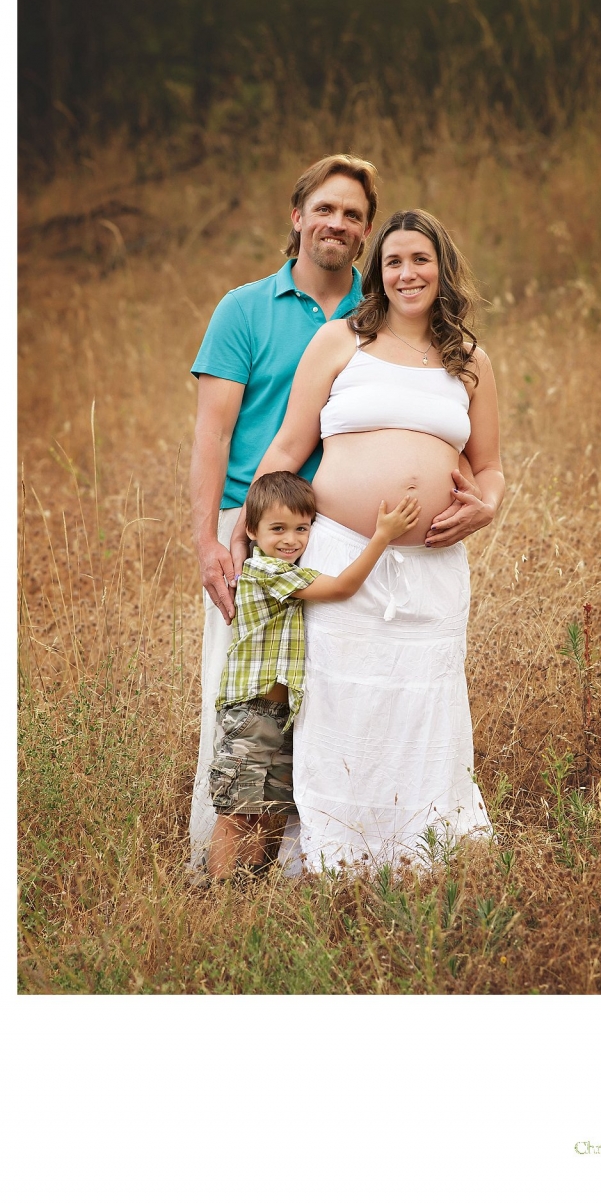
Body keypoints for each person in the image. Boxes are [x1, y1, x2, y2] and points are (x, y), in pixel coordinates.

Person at [231, 208, 505, 871]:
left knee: (422, 700)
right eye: (393, 261)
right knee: (343, 699)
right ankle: (339, 856)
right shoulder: (339, 341)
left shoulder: (468, 361)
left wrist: (488, 505)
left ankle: (422, 853)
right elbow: (291, 446)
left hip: (432, 571)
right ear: (376, 274)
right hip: (341, 553)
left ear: (443, 268)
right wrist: (245, 528)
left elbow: (491, 465)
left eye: (420, 259)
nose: (407, 273)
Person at [188, 153, 380, 870]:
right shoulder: (243, 309)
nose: (337, 222)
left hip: (340, 532)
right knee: (247, 701)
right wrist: (212, 540)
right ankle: (228, 865)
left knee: (332, 700)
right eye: (325, 208)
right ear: (297, 217)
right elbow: (212, 433)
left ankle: (318, 861)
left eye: (353, 214)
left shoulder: (381, 311)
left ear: (365, 233)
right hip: (255, 529)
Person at [208, 470, 420, 880]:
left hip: (282, 715)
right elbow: (341, 588)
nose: (290, 539)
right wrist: (382, 536)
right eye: (278, 529)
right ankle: (218, 891)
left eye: (301, 529)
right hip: (249, 714)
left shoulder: (292, 569)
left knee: (272, 809)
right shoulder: (266, 572)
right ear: (251, 531)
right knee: (237, 809)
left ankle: (253, 886)